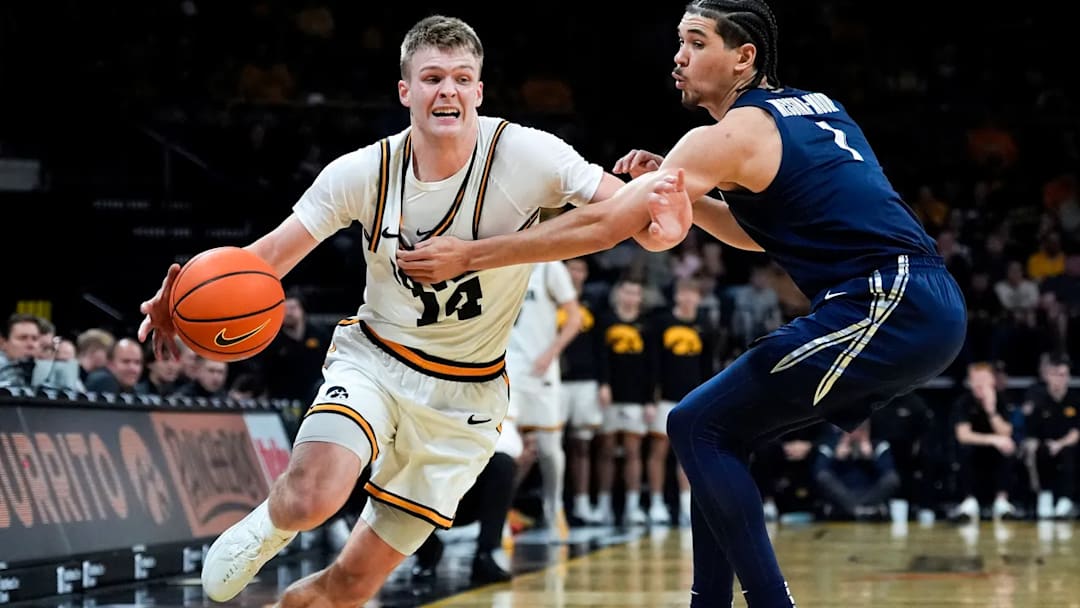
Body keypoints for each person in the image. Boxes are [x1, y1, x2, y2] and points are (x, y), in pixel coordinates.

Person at [396, 2, 967, 604]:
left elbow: (604, 228)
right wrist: (678, 190)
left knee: (695, 423)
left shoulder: (723, 137)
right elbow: (761, 231)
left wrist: (472, 254)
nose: (679, 56)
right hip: (921, 298)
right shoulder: (816, 106)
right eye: (679, 41)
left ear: (744, 58)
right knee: (715, 433)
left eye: (696, 42)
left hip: (886, 299)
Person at [136, 15, 690, 608]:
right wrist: (190, 296)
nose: (446, 90)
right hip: (376, 361)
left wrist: (664, 221)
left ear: (479, 91)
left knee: (348, 588)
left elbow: (629, 215)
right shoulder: (361, 172)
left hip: (466, 400)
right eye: (430, 78)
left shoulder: (530, 154)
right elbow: (266, 258)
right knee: (311, 499)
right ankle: (270, 522)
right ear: (406, 91)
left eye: (460, 78)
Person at [505, 260, 581, 540]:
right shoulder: (499, 256)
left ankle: (554, 508)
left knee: (549, 449)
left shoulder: (550, 267)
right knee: (504, 445)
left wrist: (553, 351)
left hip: (541, 368)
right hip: (505, 366)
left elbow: (575, 318)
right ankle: (497, 514)